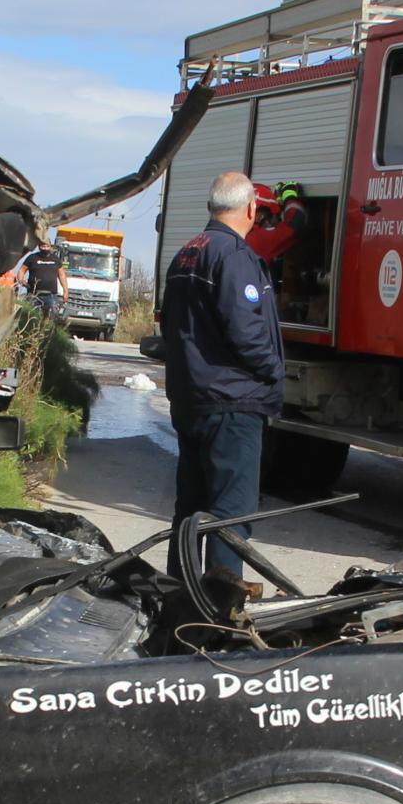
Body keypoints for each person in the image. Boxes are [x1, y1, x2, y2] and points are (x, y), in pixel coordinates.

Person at [159, 172, 285, 583]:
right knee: (230, 515)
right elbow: (245, 330)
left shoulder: (186, 254)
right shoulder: (233, 255)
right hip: (232, 404)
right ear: (250, 208)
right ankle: (217, 610)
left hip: (192, 398)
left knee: (191, 510)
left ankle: (180, 597)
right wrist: (272, 373)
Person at [20, 242, 67, 322]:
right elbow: (22, 270)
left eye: (47, 246)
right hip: (34, 294)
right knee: (30, 317)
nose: (45, 248)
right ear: (39, 247)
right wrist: (21, 280)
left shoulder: (55, 259)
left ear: (50, 247)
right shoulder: (32, 258)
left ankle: (48, 332)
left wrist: (65, 290)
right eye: (43, 246)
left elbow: (62, 275)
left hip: (51, 295)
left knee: (52, 318)